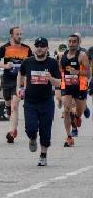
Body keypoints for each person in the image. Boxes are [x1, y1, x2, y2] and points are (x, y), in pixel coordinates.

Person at [17, 37, 62, 166]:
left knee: (45, 129)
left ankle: (43, 155)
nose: (39, 48)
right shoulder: (28, 62)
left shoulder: (52, 63)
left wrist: (51, 79)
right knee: (30, 128)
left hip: (46, 101)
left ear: (47, 48)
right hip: (30, 101)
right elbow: (21, 73)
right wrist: (19, 88)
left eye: (42, 46)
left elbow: (59, 82)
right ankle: (32, 138)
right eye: (37, 46)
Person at [0, 26, 32, 143]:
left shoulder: (27, 49)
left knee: (15, 105)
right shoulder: (4, 48)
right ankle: (13, 124)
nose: (19, 36)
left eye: (21, 34)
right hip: (7, 80)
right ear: (11, 35)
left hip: (19, 81)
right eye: (17, 34)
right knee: (9, 108)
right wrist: (6, 66)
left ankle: (11, 132)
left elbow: (32, 64)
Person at [59, 34, 90, 146]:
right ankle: (69, 137)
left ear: (78, 43)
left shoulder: (82, 56)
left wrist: (77, 72)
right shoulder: (62, 55)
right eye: (70, 41)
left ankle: (77, 117)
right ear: (67, 43)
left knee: (79, 112)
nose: (71, 43)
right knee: (66, 110)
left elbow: (88, 73)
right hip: (66, 86)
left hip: (80, 87)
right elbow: (60, 71)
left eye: (74, 41)